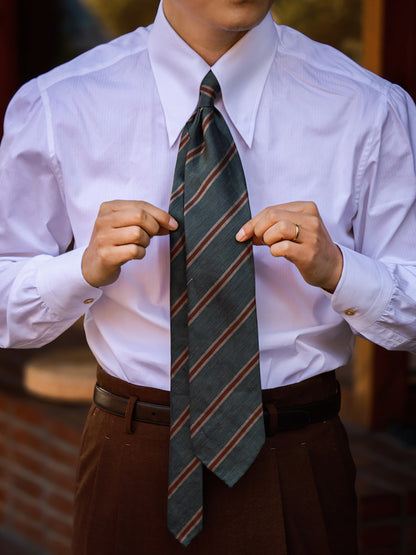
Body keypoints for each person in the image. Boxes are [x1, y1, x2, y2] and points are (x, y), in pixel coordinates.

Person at [1, 0, 415, 553]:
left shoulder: (370, 108)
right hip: (129, 459)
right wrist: (79, 270)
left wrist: (341, 270)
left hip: (296, 460)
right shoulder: (57, 105)